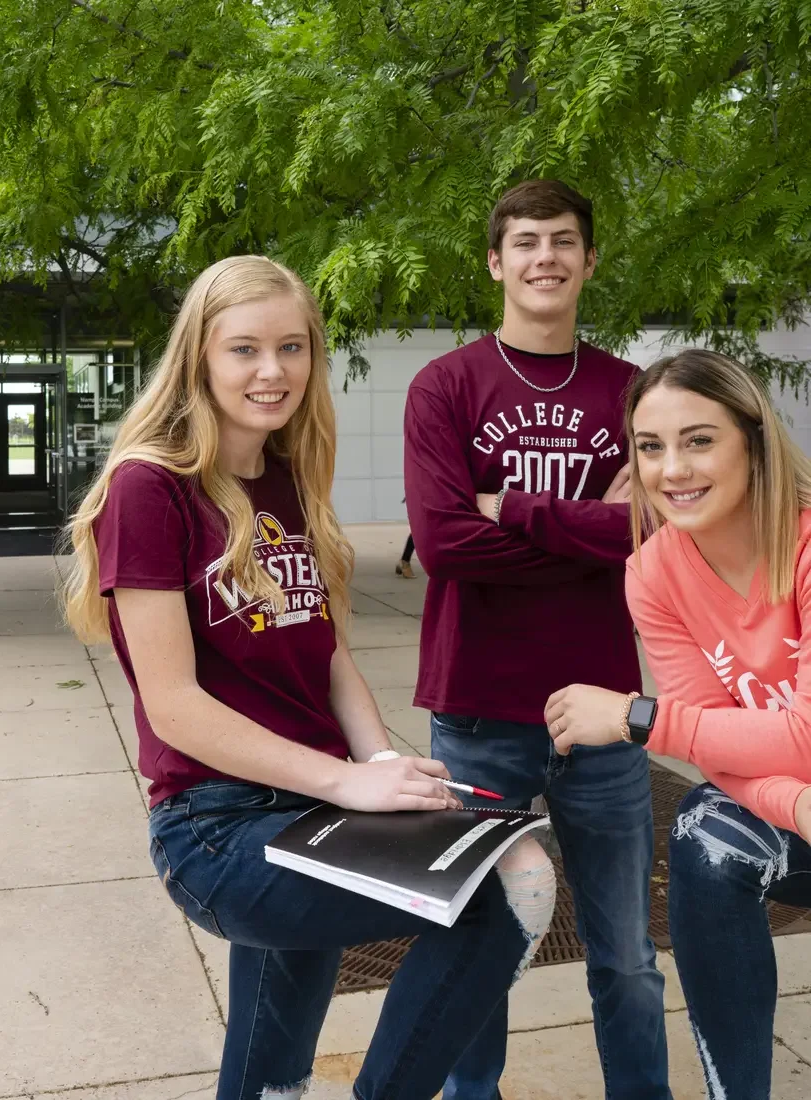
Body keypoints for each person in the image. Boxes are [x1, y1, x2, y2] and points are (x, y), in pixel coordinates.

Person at [64, 255, 555, 1100]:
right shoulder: (149, 490)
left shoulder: (287, 477)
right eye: (245, 349)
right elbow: (175, 708)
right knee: (513, 889)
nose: (272, 371)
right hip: (216, 826)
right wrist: (345, 783)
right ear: (200, 360)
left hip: (312, 804)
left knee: (270, 1078)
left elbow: (327, 655)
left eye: (292, 348)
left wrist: (377, 767)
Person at [404, 179, 671, 1100]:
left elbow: (652, 530)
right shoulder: (445, 385)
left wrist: (511, 510)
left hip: (602, 712)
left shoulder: (631, 392)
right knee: (479, 945)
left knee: (627, 954)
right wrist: (587, 529)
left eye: (563, 240)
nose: (545, 257)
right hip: (479, 708)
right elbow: (443, 545)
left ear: (590, 260)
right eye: (526, 242)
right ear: (495, 262)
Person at [547, 349, 811, 1100]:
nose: (673, 469)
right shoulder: (654, 571)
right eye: (651, 447)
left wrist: (635, 717)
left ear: (753, 442)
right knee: (706, 830)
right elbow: (714, 740)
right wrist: (794, 805)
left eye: (699, 440)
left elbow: (801, 738)